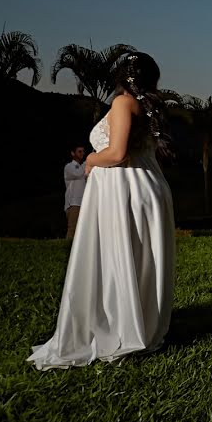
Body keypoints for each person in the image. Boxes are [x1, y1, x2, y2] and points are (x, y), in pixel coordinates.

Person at [28, 52, 175, 370]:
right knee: (139, 260)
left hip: (126, 189)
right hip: (148, 188)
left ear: (123, 76)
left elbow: (118, 153)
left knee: (118, 256)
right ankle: (140, 324)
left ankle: (121, 326)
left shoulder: (123, 103)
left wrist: (91, 160)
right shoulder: (151, 107)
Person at [63, 145, 87, 240]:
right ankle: (67, 251)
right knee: (72, 229)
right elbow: (78, 174)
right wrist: (88, 162)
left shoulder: (83, 167)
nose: (82, 153)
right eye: (79, 151)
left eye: (83, 151)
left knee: (83, 231)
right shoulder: (69, 166)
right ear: (73, 153)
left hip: (84, 203)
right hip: (73, 203)